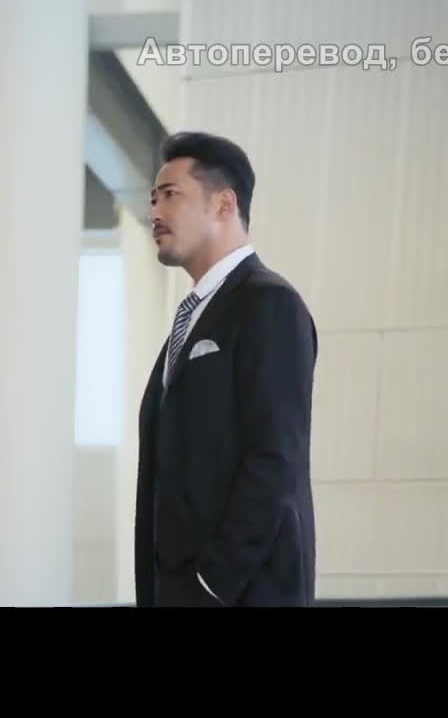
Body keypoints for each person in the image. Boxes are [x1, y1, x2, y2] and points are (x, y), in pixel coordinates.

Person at [134, 131, 318, 607]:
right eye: (153, 200)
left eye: (170, 195)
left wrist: (210, 586)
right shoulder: (193, 317)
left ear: (224, 204)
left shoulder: (268, 304)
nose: (155, 212)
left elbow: (275, 458)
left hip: (236, 595)